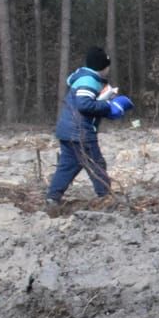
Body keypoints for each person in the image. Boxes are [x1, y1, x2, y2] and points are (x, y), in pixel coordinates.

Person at [48, 46, 130, 203]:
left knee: (67, 166)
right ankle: (105, 197)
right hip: (81, 132)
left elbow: (89, 104)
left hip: (67, 130)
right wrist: (108, 106)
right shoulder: (89, 81)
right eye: (108, 65)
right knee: (96, 164)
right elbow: (84, 105)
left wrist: (105, 105)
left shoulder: (83, 78)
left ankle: (52, 198)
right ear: (102, 67)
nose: (109, 69)